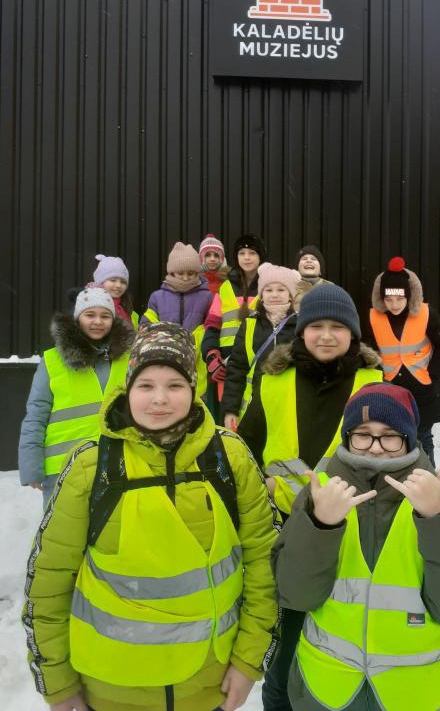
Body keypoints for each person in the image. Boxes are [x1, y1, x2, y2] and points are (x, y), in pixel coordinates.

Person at [22, 322, 279, 711]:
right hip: (111, 688)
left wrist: (248, 661)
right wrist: (56, 682)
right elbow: (49, 579)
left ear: (194, 389)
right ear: (128, 389)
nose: (160, 399)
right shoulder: (91, 466)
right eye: (146, 385)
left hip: (208, 685)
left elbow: (264, 562)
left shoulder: (230, 457)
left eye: (175, 385)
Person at [272, 382, 440, 711]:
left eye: (389, 436)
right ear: (347, 436)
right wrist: (321, 525)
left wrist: (438, 518)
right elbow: (296, 595)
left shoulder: (437, 496)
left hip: (421, 694)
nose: (375, 448)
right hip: (328, 690)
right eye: (363, 434)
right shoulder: (321, 493)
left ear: (408, 439)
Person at [237, 283, 383, 711]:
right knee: (284, 648)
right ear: (301, 331)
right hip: (286, 530)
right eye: (316, 326)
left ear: (353, 334)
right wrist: (259, 488)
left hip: (355, 533)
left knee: (342, 643)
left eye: (338, 327)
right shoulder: (273, 381)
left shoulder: (374, 383)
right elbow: (246, 449)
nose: (326, 335)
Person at [18, 288, 134, 507]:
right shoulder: (52, 360)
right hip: (64, 469)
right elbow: (36, 415)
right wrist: (31, 466)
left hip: (119, 465)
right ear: (78, 318)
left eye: (105, 315)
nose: (97, 321)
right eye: (90, 314)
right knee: (62, 528)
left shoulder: (129, 359)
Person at [369, 256, 440, 467]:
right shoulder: (373, 318)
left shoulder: (426, 314)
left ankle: (429, 476)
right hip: (389, 389)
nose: (394, 304)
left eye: (400, 299)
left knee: (423, 438)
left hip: (421, 390)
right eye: (388, 299)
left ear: (409, 296)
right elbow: (367, 351)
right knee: (392, 438)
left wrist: (432, 375)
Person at [222, 262, 300, 431]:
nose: (274, 294)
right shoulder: (249, 325)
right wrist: (230, 410)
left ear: (290, 296)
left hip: (289, 410)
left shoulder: (301, 327)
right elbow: (236, 369)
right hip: (253, 409)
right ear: (261, 295)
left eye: (281, 290)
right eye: (268, 290)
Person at [202, 234, 267, 416]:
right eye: (242, 253)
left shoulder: (269, 286)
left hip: (258, 361)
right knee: (229, 416)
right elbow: (212, 326)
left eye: (252, 253)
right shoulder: (225, 288)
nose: (247, 258)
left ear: (261, 256)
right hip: (227, 365)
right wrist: (211, 357)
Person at [141, 242, 213, 399]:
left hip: (197, 360)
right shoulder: (157, 297)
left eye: (191, 273)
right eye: (181, 273)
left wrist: (198, 337)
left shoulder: (207, 296)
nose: (186, 278)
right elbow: (146, 326)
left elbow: (212, 326)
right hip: (165, 357)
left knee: (195, 401)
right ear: (172, 272)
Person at [91, 254, 139, 328]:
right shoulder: (93, 304)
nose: (118, 285)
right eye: (113, 280)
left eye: (123, 282)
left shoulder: (125, 305)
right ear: (100, 282)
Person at [293, 245, 332, 311]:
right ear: (297, 269)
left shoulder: (331, 288)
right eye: (304, 259)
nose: (309, 261)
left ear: (320, 270)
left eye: (313, 259)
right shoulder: (289, 287)